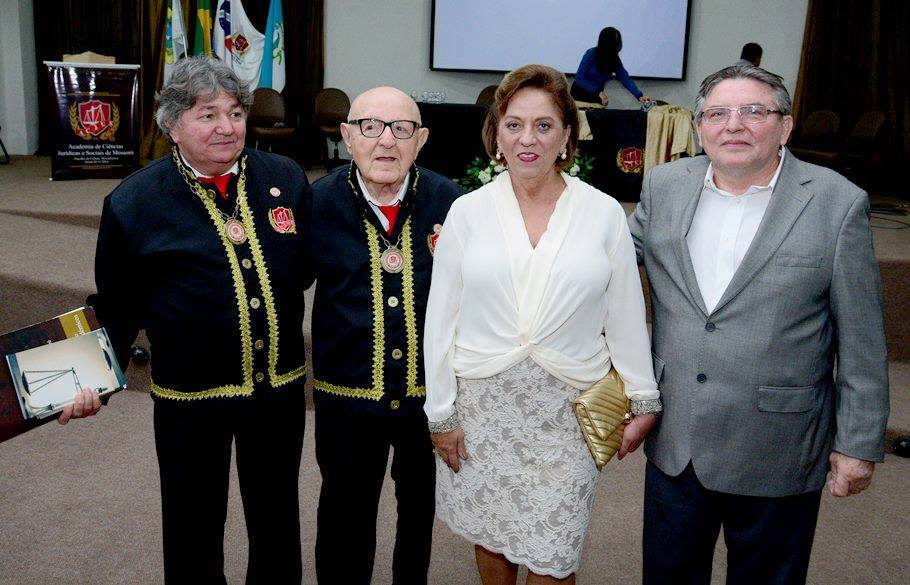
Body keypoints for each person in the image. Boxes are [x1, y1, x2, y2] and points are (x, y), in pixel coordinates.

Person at [628, 64, 889, 584]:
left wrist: (858, 443)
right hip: (679, 437)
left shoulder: (836, 203)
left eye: (754, 112)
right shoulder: (664, 185)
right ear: (699, 127)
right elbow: (606, 265)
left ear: (785, 126)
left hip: (779, 444)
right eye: (718, 113)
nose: (735, 125)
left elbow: (862, 337)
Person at [69, 56, 311, 584]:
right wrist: (85, 381)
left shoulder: (286, 178)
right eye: (207, 114)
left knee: (276, 523)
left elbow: (308, 268)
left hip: (277, 392)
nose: (226, 126)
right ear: (172, 125)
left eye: (235, 111)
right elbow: (115, 305)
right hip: (190, 400)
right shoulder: (134, 202)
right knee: (193, 528)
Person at [424, 64, 661, 585]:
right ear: (497, 135)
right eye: (514, 124)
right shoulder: (467, 212)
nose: (527, 139)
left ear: (567, 136)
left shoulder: (602, 214)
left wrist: (643, 396)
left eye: (544, 125)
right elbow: (441, 319)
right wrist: (440, 413)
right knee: (492, 538)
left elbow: (624, 311)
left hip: (568, 413)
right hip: (484, 409)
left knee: (556, 553)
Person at [305, 86, 462, 585]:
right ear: (347, 137)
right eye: (370, 127)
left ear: (422, 140)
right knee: (344, 518)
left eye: (402, 129)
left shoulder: (453, 203)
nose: (386, 141)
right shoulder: (316, 202)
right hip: (346, 400)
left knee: (418, 517)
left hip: (427, 401)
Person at [570, 27, 651, 106]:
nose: (617, 44)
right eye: (614, 41)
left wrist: (639, 95)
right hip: (580, 92)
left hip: (597, 94)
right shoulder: (591, 53)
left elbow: (625, 78)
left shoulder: (614, 58)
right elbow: (579, 78)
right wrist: (597, 91)